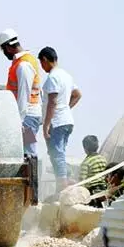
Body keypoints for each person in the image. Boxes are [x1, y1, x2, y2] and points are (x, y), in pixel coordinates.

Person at [38, 46, 82, 192]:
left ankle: (62, 185)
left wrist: (46, 125)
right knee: (59, 153)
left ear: (44, 60)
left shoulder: (53, 77)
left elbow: (52, 102)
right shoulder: (66, 75)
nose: (42, 67)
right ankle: (64, 181)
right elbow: (77, 94)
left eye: (41, 63)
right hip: (67, 120)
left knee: (56, 154)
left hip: (56, 122)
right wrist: (66, 108)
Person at [0, 29, 43, 157]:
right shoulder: (25, 61)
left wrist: (19, 121)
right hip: (29, 115)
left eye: (3, 50)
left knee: (29, 152)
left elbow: (24, 95)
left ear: (8, 47)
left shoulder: (23, 65)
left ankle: (31, 176)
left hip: (27, 116)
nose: (4, 54)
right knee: (27, 150)